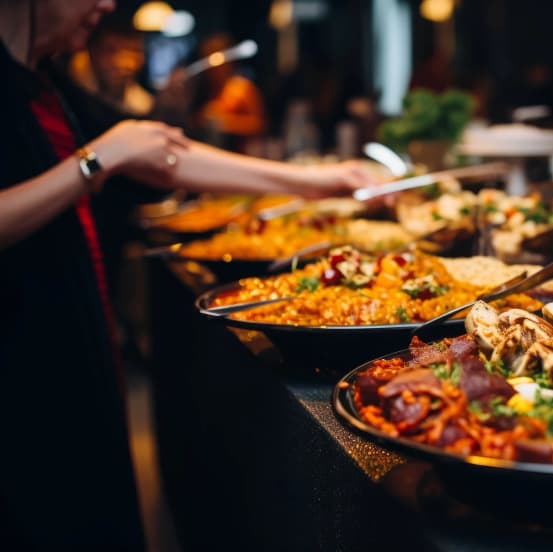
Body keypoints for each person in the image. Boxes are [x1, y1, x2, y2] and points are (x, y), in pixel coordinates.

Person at [0, 1, 377, 549]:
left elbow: (158, 154)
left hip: (75, 333)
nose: (107, 5)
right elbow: (110, 154)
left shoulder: (46, 76)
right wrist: (96, 160)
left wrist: (312, 181)